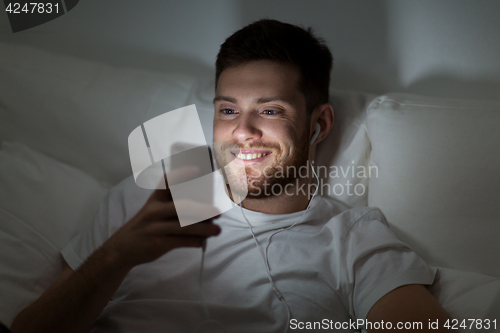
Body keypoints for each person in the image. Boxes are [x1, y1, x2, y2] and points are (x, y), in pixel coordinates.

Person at [11, 19, 449, 333]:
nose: (242, 131)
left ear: (319, 124)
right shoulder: (157, 192)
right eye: (228, 110)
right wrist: (116, 255)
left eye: (270, 109)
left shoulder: (351, 236)